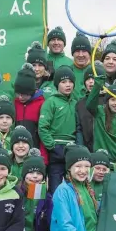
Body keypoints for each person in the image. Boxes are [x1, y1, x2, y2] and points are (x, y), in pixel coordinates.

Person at [39, 65, 77, 193]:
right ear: (57, 84)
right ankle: (52, 212)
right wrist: (52, 147)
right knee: (55, 188)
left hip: (72, 149)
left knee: (72, 188)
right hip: (56, 149)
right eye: (63, 82)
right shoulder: (51, 102)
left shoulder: (75, 103)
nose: (68, 85)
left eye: (71, 82)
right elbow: (43, 127)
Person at [16, 148, 52, 231]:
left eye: (39, 173)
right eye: (31, 173)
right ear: (24, 174)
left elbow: (48, 221)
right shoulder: (16, 193)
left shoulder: (44, 194)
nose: (35, 176)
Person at [13, 63, 48, 162]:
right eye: (18, 93)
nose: (20, 97)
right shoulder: (15, 104)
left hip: (35, 156)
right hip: (17, 156)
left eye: (23, 94)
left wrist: (44, 159)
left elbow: (43, 132)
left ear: (31, 91)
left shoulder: (41, 104)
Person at [75, 66, 96, 151]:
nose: (91, 81)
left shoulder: (107, 101)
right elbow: (79, 128)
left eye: (94, 78)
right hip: (86, 149)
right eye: (88, 79)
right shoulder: (80, 104)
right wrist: (81, 148)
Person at [70, 32, 93, 100]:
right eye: (77, 51)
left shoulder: (96, 71)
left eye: (84, 51)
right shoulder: (68, 71)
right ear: (73, 53)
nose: (80, 55)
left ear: (89, 53)